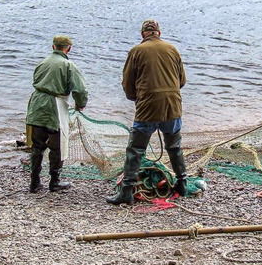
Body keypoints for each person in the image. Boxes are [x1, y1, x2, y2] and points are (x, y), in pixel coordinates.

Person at [107, 19, 188, 204]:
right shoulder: (173, 49)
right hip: (172, 105)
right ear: (158, 33)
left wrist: (136, 98)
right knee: (174, 146)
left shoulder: (136, 51)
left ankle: (126, 192)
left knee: (135, 149)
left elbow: (128, 85)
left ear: (143, 34)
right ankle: (182, 183)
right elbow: (182, 80)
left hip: (147, 107)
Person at [24, 35, 88, 193]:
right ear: (68, 49)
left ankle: (34, 182)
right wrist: (80, 104)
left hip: (36, 104)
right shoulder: (68, 65)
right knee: (57, 146)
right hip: (55, 106)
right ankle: (54, 182)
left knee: (37, 146)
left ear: (53, 47)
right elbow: (80, 90)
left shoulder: (42, 63)